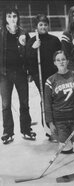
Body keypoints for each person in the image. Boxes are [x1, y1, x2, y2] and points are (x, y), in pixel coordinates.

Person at [0, 8, 35, 144]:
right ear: (5, 18)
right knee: (5, 104)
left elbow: (30, 54)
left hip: (21, 73)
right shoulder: (1, 32)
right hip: (4, 74)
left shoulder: (23, 33)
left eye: (15, 16)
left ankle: (26, 129)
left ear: (18, 18)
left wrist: (30, 72)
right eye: (9, 16)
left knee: (24, 102)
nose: (12, 19)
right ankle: (8, 131)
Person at [27, 14, 61, 142]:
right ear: (36, 26)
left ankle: (59, 127)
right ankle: (48, 129)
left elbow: (59, 55)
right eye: (41, 25)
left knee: (56, 100)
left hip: (53, 75)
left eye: (45, 24)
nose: (43, 27)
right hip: (40, 75)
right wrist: (33, 48)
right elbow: (27, 59)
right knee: (46, 101)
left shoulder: (54, 40)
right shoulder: (32, 41)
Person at [44, 51, 74, 153]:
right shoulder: (50, 80)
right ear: (54, 63)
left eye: (63, 59)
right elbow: (47, 103)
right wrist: (50, 123)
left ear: (67, 61)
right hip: (60, 119)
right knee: (66, 149)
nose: (61, 62)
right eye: (58, 60)